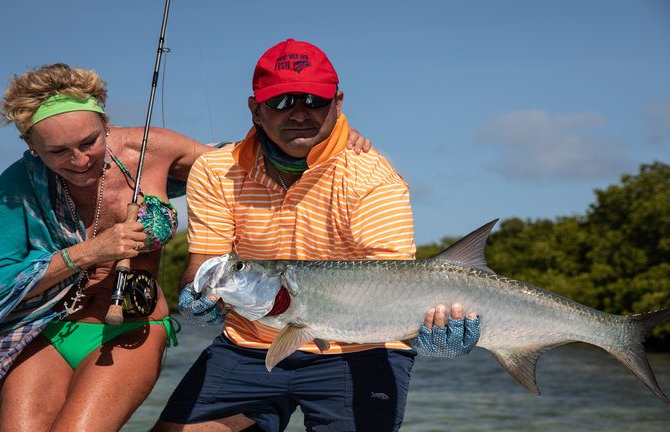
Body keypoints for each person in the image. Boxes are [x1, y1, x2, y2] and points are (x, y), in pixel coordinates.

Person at [0, 62, 372, 431]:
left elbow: (257, 161)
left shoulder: (159, 150)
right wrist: (95, 249)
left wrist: (328, 139)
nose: (80, 159)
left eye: (90, 141)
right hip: (44, 330)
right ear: (30, 145)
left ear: (106, 121)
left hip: (134, 328)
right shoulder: (18, 186)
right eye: (57, 153)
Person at [154, 39, 481, 432]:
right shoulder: (214, 171)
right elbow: (202, 267)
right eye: (281, 102)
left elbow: (388, 287)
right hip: (249, 346)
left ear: (337, 104)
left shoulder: (374, 177)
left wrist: (423, 331)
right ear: (255, 109)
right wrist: (197, 294)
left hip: (362, 350)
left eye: (313, 100)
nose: (299, 114)